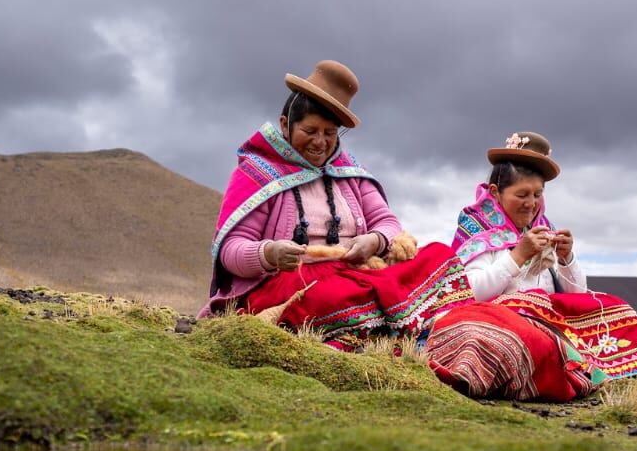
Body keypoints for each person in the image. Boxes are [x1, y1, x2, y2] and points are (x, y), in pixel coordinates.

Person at [201, 60, 471, 347]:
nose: (320, 142)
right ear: (285, 125)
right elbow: (230, 250)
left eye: (329, 134)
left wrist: (375, 241)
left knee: (440, 256)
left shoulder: (348, 172)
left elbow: (388, 223)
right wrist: (269, 253)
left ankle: (384, 329)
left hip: (356, 275)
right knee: (330, 296)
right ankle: (393, 328)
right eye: (310, 130)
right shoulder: (256, 173)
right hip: (291, 284)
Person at [427, 131, 637, 399]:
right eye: (522, 194)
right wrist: (518, 256)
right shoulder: (477, 233)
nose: (531, 204)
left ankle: (574, 366)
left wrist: (567, 259)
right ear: (495, 193)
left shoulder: (545, 231)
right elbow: (470, 293)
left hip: (547, 323)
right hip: (498, 321)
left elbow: (576, 298)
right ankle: (567, 367)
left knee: (619, 310)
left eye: (537, 194)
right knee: (525, 336)